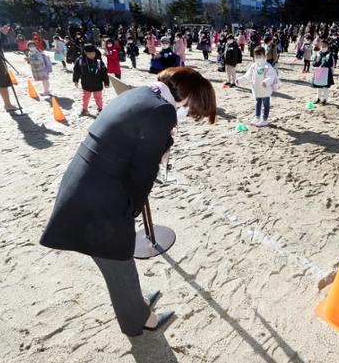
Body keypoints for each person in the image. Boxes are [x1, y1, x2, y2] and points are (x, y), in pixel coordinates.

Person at [40, 66, 217, 337]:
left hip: (88, 184)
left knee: (120, 259)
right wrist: (132, 207)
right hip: (97, 200)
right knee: (117, 262)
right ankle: (138, 321)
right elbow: (144, 171)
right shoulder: (163, 110)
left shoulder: (144, 94)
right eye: (192, 108)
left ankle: (137, 303)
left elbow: (132, 136)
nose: (188, 114)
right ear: (188, 96)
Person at [236, 46, 278, 127]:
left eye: (260, 56)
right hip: (257, 89)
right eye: (256, 56)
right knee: (257, 103)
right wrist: (240, 80)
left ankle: (265, 119)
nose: (258, 58)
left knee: (266, 104)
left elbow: (271, 76)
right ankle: (257, 117)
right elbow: (248, 76)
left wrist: (266, 81)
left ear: (264, 56)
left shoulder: (267, 66)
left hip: (265, 89)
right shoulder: (253, 66)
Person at [73, 43, 110, 116]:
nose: (92, 55)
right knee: (85, 97)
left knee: (98, 97)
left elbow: (104, 72)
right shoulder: (80, 60)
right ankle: (85, 109)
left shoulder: (99, 61)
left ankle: (100, 109)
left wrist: (106, 82)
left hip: (97, 83)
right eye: (89, 54)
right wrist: (76, 80)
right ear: (85, 53)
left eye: (93, 53)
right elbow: (76, 70)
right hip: (86, 83)